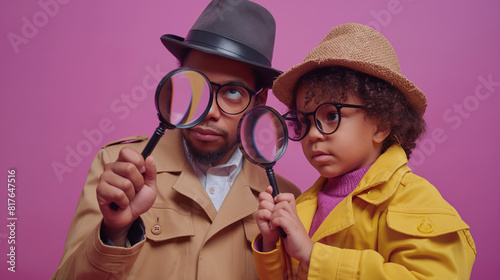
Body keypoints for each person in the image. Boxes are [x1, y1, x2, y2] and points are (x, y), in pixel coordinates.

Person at [51, 1, 300, 279]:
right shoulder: (117, 169)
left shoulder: (286, 202)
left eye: (232, 92)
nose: (211, 112)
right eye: (198, 84)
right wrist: (114, 231)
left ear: (259, 101)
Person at [252, 23, 476, 279]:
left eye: (332, 115)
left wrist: (314, 255)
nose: (313, 133)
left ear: (380, 125)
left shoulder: (413, 200)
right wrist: (271, 245)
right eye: (305, 121)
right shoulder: (303, 205)